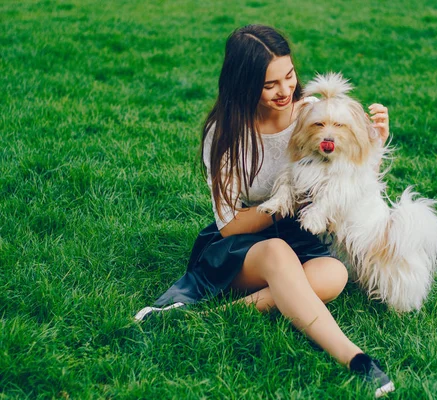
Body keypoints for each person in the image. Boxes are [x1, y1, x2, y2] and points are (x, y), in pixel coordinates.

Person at [134, 24, 395, 398]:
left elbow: (350, 174)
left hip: (298, 237)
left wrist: (374, 141)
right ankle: (354, 358)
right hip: (242, 244)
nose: (286, 90)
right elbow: (229, 226)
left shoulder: (311, 113)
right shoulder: (225, 135)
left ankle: (215, 317)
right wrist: (284, 208)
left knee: (333, 273)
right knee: (277, 252)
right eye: (270, 84)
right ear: (244, 84)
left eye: (289, 76)